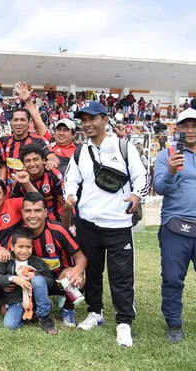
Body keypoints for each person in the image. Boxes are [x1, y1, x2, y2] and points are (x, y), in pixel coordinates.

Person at [64, 101, 149, 347]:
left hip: (118, 224)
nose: (87, 124)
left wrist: (136, 195)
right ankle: (95, 312)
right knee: (92, 271)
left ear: (104, 119)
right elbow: (70, 179)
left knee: (121, 275)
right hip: (88, 223)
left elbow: (141, 175)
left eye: (91, 119)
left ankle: (124, 322)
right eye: (83, 120)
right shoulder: (80, 151)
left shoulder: (124, 147)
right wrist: (70, 195)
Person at [154, 108, 196, 342]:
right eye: (185, 126)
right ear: (177, 129)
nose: (190, 130)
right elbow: (160, 187)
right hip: (175, 226)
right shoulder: (166, 154)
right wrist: (171, 170)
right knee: (172, 278)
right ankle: (174, 324)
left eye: (194, 126)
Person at [21, 192, 87, 327]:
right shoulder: (20, 234)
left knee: (77, 278)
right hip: (35, 281)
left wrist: (78, 271)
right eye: (28, 211)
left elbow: (81, 258)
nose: (32, 215)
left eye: (37, 210)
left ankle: (68, 308)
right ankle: (42, 303)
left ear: (46, 212)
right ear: (22, 213)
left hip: (59, 279)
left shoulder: (58, 230)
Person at [0, 227, 57, 334]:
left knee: (38, 280)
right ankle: (30, 316)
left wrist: (35, 275)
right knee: (9, 325)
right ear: (12, 246)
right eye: (20, 247)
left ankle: (44, 317)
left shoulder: (37, 261)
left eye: (28, 247)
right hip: (16, 301)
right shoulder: (5, 260)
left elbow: (50, 281)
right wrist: (13, 279)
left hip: (35, 299)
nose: (24, 251)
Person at [10, 143, 67, 224]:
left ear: (43, 160)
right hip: (31, 221)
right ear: (23, 164)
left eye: (35, 159)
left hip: (55, 220)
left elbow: (64, 204)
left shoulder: (53, 175)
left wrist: (65, 225)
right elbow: (12, 205)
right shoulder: (20, 180)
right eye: (27, 161)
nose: (32, 164)